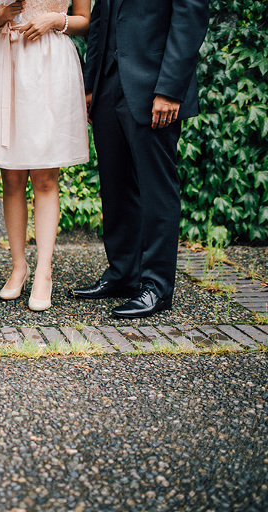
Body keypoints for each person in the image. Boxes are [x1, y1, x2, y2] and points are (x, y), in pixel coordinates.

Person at [72, 0, 209, 318]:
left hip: (155, 88)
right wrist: (91, 84)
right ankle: (123, 274)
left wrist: (171, 89)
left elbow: (190, 15)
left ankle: (157, 288)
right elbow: (102, 18)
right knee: (115, 184)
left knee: (156, 189)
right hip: (108, 84)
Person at [0, 0, 90, 312]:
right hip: (7, 60)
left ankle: (44, 270)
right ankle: (19, 266)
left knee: (45, 178)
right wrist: (2, 16)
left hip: (50, 65)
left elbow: (86, 20)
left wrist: (57, 20)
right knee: (11, 176)